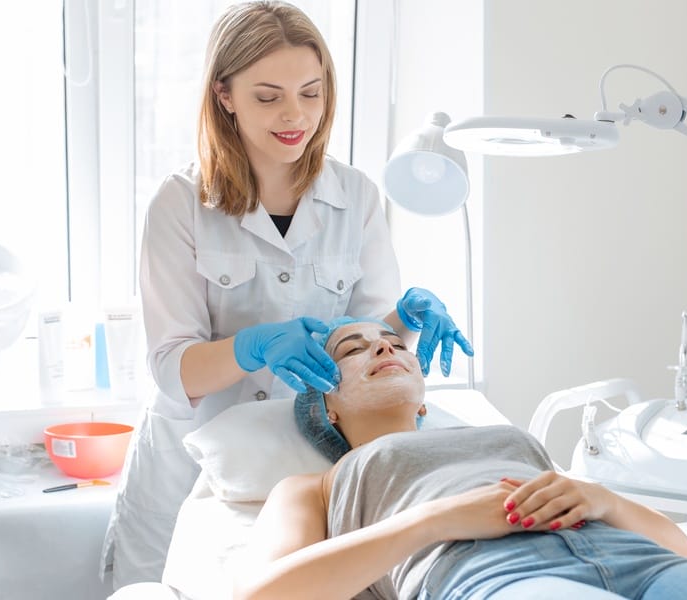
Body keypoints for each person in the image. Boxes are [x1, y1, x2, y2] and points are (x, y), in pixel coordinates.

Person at [102, 1, 473, 589]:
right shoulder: (179, 203)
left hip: (305, 459)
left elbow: (368, 342)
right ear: (224, 95)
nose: (295, 115)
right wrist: (249, 347)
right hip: (189, 459)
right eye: (268, 96)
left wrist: (400, 319)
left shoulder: (357, 196)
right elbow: (173, 367)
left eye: (311, 92)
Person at [232, 319, 687, 600]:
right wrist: (439, 519)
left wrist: (603, 498)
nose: (385, 348)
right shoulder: (316, 485)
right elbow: (264, 594)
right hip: (493, 575)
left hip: (644, 560)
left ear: (424, 399)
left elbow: (678, 548)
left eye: (395, 343)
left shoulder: (501, 437)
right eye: (353, 349)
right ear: (325, 408)